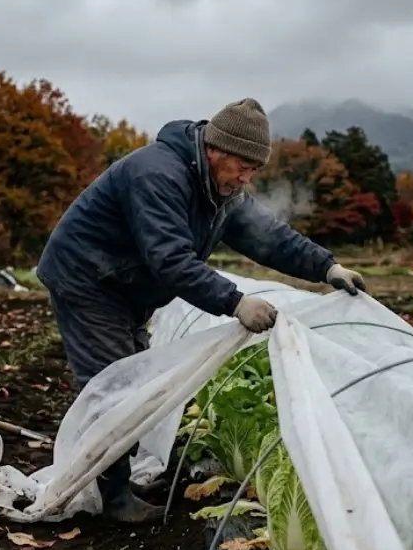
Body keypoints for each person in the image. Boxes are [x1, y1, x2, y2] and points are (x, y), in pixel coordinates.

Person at [35, 97, 366, 523]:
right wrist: (235, 301)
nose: (247, 179)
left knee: (136, 377)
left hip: (125, 285)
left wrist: (327, 266)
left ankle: (113, 479)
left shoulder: (220, 190)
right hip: (88, 278)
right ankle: (113, 497)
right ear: (216, 150)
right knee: (113, 382)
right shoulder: (158, 174)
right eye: (242, 167)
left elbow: (272, 239)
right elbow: (170, 259)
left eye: (254, 171)